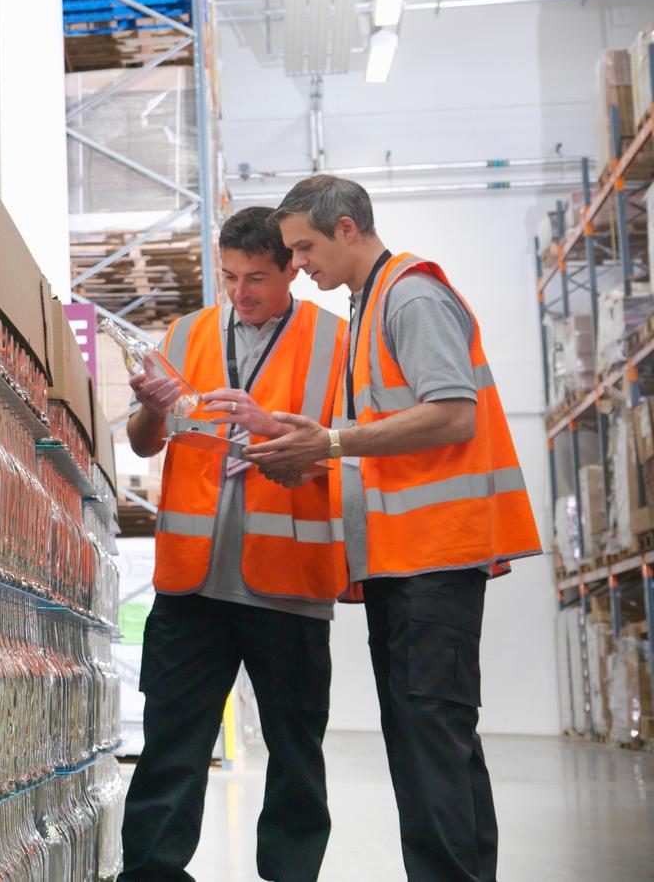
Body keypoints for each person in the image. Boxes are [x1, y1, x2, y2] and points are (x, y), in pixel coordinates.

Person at [209, 174, 542, 882]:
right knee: (430, 742)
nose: (298, 265)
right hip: (399, 565)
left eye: (303, 248)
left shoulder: (411, 295)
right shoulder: (369, 306)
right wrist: (305, 451)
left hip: (433, 562)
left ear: (348, 230)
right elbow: (380, 442)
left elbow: (453, 413)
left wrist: (327, 442)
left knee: (430, 742)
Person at [119, 207, 349, 882]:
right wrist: (155, 405)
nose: (240, 292)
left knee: (295, 751)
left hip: (289, 584)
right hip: (190, 585)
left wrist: (279, 438)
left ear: (292, 272)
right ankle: (153, 874)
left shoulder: (336, 343)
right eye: (229, 276)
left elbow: (355, 456)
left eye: (257, 278)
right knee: (170, 744)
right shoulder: (186, 333)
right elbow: (142, 442)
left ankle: (290, 874)